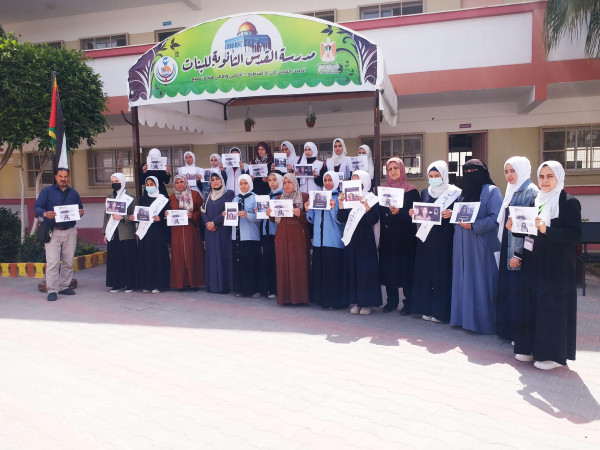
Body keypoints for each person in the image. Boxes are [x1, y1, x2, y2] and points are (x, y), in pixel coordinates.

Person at [512, 161, 581, 370]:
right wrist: (514, 227)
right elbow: (528, 231)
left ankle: (552, 355)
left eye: (550, 176)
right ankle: (530, 348)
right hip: (534, 263)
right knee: (531, 304)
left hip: (557, 267)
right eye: (541, 176)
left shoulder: (569, 202)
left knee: (551, 309)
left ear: (559, 177)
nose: (545, 181)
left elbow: (574, 235)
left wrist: (547, 230)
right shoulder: (535, 200)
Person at [450, 159, 503, 334]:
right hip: (461, 244)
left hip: (481, 244)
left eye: (474, 172)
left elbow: (497, 218)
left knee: (480, 282)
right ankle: (463, 319)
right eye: (466, 172)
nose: (470, 175)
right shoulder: (463, 193)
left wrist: (474, 225)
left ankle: (482, 323)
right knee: (463, 280)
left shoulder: (491, 191)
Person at [410, 161, 461, 323]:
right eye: (430, 176)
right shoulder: (425, 192)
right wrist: (414, 213)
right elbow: (423, 213)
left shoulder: (455, 193)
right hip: (426, 239)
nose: (433, 179)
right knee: (425, 274)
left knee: (441, 275)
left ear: (444, 175)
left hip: (444, 238)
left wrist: (452, 213)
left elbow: (461, 214)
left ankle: (440, 312)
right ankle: (425, 308)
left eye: (437, 176)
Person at [496, 157, 539, 342]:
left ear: (522, 170)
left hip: (517, 250)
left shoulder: (531, 192)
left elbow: (527, 228)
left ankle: (517, 334)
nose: (509, 175)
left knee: (518, 292)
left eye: (513, 171)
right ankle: (507, 330)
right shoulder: (511, 190)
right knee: (509, 289)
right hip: (508, 245)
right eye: (506, 171)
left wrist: (517, 254)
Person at [34, 168, 84, 301]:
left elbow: (80, 209)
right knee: (53, 262)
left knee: (68, 261)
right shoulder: (47, 191)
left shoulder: (74, 193)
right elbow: (37, 207)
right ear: (56, 177)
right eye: (60, 176)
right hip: (53, 231)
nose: (63, 179)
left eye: (65, 176)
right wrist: (45, 214)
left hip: (70, 231)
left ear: (69, 178)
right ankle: (52, 290)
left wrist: (81, 212)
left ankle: (64, 286)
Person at [378, 158, 420, 315]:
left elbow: (416, 215)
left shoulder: (411, 191)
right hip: (388, 238)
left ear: (402, 169)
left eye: (396, 168)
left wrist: (399, 212)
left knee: (406, 270)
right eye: (390, 169)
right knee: (390, 270)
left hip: (406, 238)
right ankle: (391, 301)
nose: (393, 171)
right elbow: (380, 214)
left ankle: (408, 303)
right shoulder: (383, 191)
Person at [338, 170, 382, 315]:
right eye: (353, 181)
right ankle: (356, 301)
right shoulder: (349, 198)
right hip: (352, 239)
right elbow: (342, 219)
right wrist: (341, 204)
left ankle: (367, 303)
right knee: (354, 270)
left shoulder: (373, 199)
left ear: (365, 182)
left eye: (358, 181)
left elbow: (373, 220)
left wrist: (367, 206)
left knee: (365, 271)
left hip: (366, 240)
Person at [306, 171, 346, 309]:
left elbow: (341, 221)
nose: (327, 183)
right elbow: (311, 219)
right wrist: (308, 209)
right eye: (325, 180)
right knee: (320, 271)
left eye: (330, 180)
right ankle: (320, 300)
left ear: (335, 181)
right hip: (319, 241)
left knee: (333, 273)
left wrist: (334, 207)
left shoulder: (339, 197)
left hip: (333, 241)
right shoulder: (318, 196)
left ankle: (334, 302)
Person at [268, 173, 310, 305]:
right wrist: (270, 214)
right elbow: (275, 219)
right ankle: (284, 298)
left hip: (297, 236)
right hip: (281, 236)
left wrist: (301, 214)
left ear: (295, 183)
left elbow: (310, 218)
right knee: (283, 265)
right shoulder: (279, 198)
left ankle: (299, 298)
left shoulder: (304, 197)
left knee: (298, 265)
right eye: (285, 183)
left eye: (289, 182)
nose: (287, 185)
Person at [167, 175, 205, 291]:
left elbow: (202, 210)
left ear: (186, 183)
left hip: (191, 229)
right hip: (177, 231)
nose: (179, 184)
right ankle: (180, 283)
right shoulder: (172, 197)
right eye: (177, 182)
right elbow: (169, 211)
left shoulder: (195, 195)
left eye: (181, 182)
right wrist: (167, 214)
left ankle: (193, 283)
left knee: (192, 254)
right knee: (179, 256)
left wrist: (193, 215)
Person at [135, 176, 170, 293]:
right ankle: (147, 284)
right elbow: (139, 214)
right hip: (145, 233)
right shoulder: (143, 199)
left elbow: (167, 216)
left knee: (157, 257)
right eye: (148, 185)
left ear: (156, 185)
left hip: (158, 232)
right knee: (146, 257)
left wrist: (161, 218)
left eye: (152, 184)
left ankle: (158, 284)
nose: (149, 187)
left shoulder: (163, 199)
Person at [229, 175, 263, 297]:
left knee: (251, 263)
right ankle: (241, 289)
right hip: (237, 236)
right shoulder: (235, 199)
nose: (243, 186)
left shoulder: (255, 198)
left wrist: (247, 215)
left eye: (245, 183)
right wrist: (227, 214)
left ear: (250, 184)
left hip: (250, 236)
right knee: (239, 263)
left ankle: (253, 290)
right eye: (241, 183)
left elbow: (260, 218)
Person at [202, 172, 235, 294]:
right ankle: (212, 286)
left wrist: (214, 223)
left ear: (222, 181)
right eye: (213, 180)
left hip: (222, 230)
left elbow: (227, 211)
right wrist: (207, 223)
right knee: (211, 256)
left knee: (223, 255)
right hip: (209, 231)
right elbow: (203, 211)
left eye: (217, 179)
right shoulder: (207, 195)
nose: (215, 181)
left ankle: (224, 286)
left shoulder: (229, 193)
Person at [103, 173, 136, 293]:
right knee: (115, 259)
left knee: (127, 259)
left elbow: (135, 216)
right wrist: (105, 233)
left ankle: (129, 284)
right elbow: (106, 216)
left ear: (122, 181)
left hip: (126, 233)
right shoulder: (110, 196)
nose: (114, 183)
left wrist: (122, 218)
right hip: (113, 232)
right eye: (113, 181)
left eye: (117, 181)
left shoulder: (130, 197)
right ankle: (117, 283)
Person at [260, 172, 284, 299]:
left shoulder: (283, 196)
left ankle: (278, 289)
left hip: (277, 233)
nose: (272, 182)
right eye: (269, 180)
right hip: (266, 232)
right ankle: (270, 288)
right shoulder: (267, 196)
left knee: (277, 262)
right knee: (268, 260)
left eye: (274, 180)